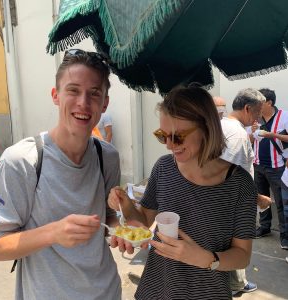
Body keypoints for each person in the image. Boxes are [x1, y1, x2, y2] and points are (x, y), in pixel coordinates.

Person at [0, 49, 122, 300]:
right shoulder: (22, 161)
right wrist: (52, 233)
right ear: (55, 96)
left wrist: (124, 228)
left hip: (107, 291)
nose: (83, 102)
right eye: (73, 90)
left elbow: (109, 218)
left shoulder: (108, 157)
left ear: (104, 102)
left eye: (94, 93)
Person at [109, 84, 257, 300]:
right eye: (162, 135)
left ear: (207, 127)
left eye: (178, 137)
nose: (169, 145)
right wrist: (126, 203)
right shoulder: (164, 168)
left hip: (208, 293)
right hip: (157, 289)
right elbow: (143, 219)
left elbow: (242, 256)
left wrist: (206, 258)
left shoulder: (240, 184)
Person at [218, 88, 268, 296]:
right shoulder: (237, 134)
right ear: (247, 109)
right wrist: (256, 198)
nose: (259, 118)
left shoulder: (221, 125)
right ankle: (236, 286)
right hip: (233, 205)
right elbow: (231, 178)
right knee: (236, 246)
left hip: (222, 202)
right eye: (257, 112)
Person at [252, 88, 288, 249]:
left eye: (260, 101)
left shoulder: (284, 116)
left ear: (269, 102)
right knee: (262, 199)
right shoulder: (255, 118)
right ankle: (264, 227)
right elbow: (250, 139)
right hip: (258, 164)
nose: (257, 105)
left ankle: (284, 235)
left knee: (280, 203)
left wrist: (273, 135)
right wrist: (251, 133)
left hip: (277, 167)